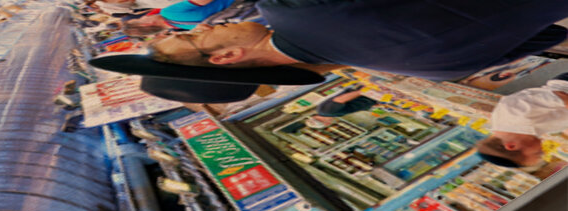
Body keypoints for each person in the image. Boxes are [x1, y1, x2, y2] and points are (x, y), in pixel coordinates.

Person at [90, 0, 568, 103]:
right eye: (198, 37)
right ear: (225, 59)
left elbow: (545, 37)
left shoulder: (440, 69)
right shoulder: (292, 8)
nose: (220, 24)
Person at [475, 73, 568, 168]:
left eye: (538, 153)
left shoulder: (513, 115)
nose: (543, 150)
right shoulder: (523, 132)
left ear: (511, 146)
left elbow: (560, 96)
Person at [122, 0, 237, 37]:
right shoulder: (168, 13)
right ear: (145, 24)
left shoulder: (183, 27)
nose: (143, 16)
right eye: (139, 19)